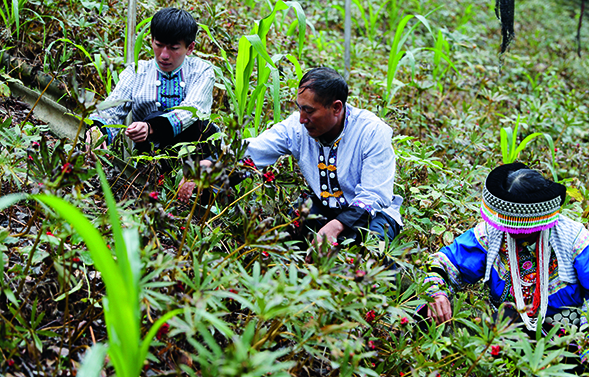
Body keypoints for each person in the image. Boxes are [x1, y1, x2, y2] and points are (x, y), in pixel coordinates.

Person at [421, 162, 589, 359]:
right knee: (427, 313)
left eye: (518, 230)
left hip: (569, 339)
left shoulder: (572, 238)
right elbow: (447, 262)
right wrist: (436, 293)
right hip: (508, 332)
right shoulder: (493, 233)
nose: (510, 233)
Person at [180, 67, 402, 248]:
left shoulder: (372, 132)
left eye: (310, 111)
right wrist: (210, 164)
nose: (302, 119)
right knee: (282, 236)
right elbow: (253, 151)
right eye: (300, 109)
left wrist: (336, 226)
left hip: (372, 215)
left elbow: (374, 195)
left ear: (336, 108)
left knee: (364, 253)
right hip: (324, 207)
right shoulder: (296, 128)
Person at [85, 7, 216, 161]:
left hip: (196, 156)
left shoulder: (201, 71)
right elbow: (112, 109)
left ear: (190, 48)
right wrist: (98, 131)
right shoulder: (136, 72)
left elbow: (192, 111)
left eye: (174, 48)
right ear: (151, 40)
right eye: (159, 45)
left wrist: (151, 127)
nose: (164, 55)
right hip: (150, 159)